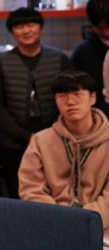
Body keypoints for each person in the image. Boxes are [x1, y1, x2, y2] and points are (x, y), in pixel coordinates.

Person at [0, 7, 71, 198]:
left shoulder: (59, 59)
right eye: (19, 26)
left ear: (40, 27)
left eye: (31, 24)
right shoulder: (2, 63)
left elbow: (69, 97)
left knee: (57, 192)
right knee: (18, 194)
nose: (26, 30)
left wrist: (54, 132)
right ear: (12, 32)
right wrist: (23, 136)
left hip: (56, 139)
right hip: (13, 143)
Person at [19, 71, 109, 235]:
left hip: (102, 228)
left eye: (77, 95)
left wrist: (85, 222)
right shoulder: (40, 141)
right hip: (51, 226)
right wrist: (60, 220)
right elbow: (31, 189)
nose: (70, 102)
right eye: (62, 96)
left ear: (93, 98)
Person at [71, 0, 109, 116]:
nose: (107, 32)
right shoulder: (82, 53)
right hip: (98, 118)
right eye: (101, 28)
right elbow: (77, 92)